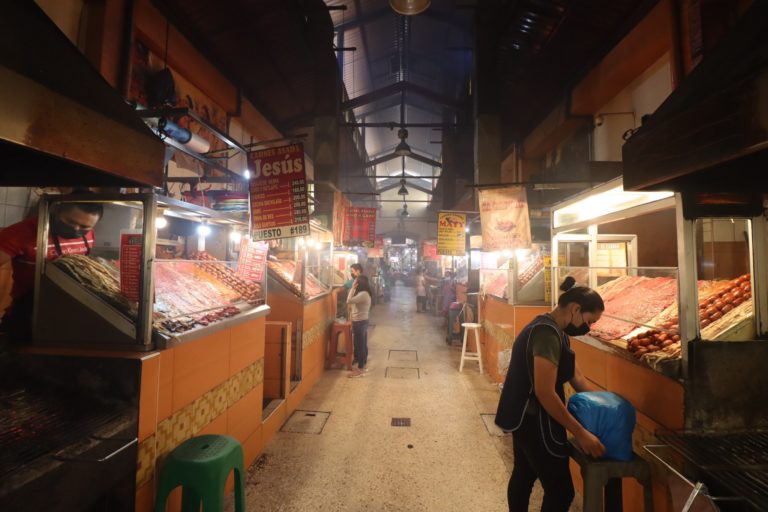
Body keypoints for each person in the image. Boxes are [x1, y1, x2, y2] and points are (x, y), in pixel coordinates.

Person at [495, 276, 606, 512]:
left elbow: (576, 375)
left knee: (523, 476)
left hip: (522, 416)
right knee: (561, 491)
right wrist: (581, 432)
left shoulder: (556, 330)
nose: (589, 327)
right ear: (576, 309)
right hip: (535, 421)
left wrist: (603, 404)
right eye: (589, 320)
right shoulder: (546, 334)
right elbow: (544, 393)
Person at [0, 201, 104, 339]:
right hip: (29, 313)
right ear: (57, 212)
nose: (76, 228)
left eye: (85, 227)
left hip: (69, 311)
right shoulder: (21, 232)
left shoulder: (89, 235)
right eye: (70, 221)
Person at [346, 275, 372, 378]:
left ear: (358, 284)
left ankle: (360, 369)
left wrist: (352, 288)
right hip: (362, 321)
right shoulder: (365, 294)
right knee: (363, 345)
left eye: (355, 282)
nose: (354, 283)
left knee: (360, 345)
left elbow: (348, 300)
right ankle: (363, 366)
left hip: (359, 322)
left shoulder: (363, 294)